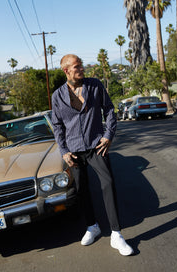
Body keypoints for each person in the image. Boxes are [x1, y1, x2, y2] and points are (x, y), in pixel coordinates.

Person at [51, 54, 134, 256]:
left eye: (81, 65)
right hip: (74, 150)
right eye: (77, 66)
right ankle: (92, 226)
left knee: (108, 184)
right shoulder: (57, 96)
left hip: (97, 146)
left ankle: (116, 234)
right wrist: (63, 151)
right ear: (66, 70)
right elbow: (57, 125)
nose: (82, 69)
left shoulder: (95, 85)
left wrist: (108, 135)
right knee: (82, 190)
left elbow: (110, 111)